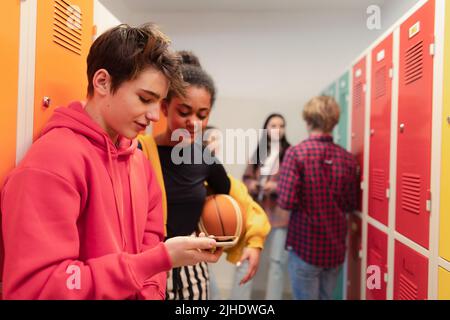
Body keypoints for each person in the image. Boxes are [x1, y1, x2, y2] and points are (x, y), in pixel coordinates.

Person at [0, 24, 222, 300]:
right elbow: (37, 288)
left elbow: (150, 242)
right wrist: (157, 259)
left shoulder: (140, 163)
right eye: (144, 99)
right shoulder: (52, 162)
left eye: (159, 102)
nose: (155, 115)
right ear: (102, 82)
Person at [137, 51, 271, 300]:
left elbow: (240, 199)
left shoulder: (204, 158)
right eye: (184, 112)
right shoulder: (139, 151)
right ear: (165, 107)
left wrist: (254, 242)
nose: (193, 122)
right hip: (147, 270)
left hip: (193, 275)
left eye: (202, 114)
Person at [277, 96, 359, 300]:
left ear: (308, 120)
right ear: (334, 122)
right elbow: (350, 204)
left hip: (305, 247)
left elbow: (286, 201)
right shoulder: (347, 158)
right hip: (334, 250)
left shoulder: (296, 154)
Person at [229, 114, 291, 300]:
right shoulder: (259, 152)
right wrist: (254, 185)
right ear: (266, 128)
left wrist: (276, 187)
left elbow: (294, 184)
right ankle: (238, 301)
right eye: (273, 125)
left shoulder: (290, 153)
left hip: (280, 215)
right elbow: (246, 179)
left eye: (281, 126)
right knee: (246, 259)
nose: (277, 129)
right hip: (256, 213)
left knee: (277, 262)